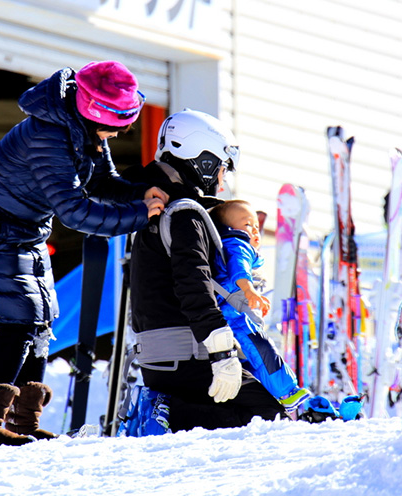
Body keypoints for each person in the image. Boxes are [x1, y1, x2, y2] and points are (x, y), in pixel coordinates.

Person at [0, 61, 169, 448]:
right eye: (119, 121)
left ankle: (24, 423)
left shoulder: (82, 129)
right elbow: (76, 211)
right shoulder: (49, 136)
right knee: (18, 321)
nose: (122, 130)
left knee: (41, 320)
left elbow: (102, 182)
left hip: (20, 230)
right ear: (96, 111)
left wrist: (138, 194)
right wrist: (139, 216)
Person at [128, 109, 288, 432]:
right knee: (269, 418)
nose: (221, 179)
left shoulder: (152, 210)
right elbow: (194, 285)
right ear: (201, 162)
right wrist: (222, 352)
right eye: (220, 168)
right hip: (190, 359)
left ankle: (163, 410)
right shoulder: (186, 215)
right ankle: (169, 416)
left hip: (161, 361)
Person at [209, 199, 311, 413]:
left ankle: (267, 394)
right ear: (227, 229)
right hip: (234, 318)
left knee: (252, 358)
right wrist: (249, 290)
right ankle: (286, 392)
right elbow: (239, 268)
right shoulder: (236, 244)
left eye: (256, 225)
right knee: (262, 349)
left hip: (236, 315)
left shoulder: (236, 246)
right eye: (247, 225)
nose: (254, 230)